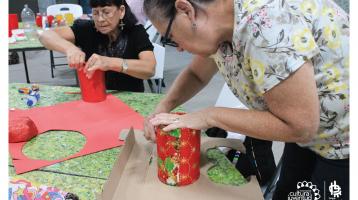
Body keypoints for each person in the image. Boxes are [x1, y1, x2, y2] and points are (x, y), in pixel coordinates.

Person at [142, 0, 349, 199]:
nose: (178, 48)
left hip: (344, 140)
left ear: (187, 10)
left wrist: (210, 116)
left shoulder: (266, 24)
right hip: (311, 136)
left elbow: (299, 126)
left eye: (171, 37)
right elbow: (196, 74)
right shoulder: (222, 28)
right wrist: (164, 105)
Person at [39, 0, 156, 92]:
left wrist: (110, 63)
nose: (100, 19)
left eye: (106, 12)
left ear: (121, 11)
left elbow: (149, 69)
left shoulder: (135, 32)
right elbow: (45, 35)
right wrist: (70, 48)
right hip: (94, 98)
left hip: (130, 99)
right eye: (95, 13)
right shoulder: (87, 29)